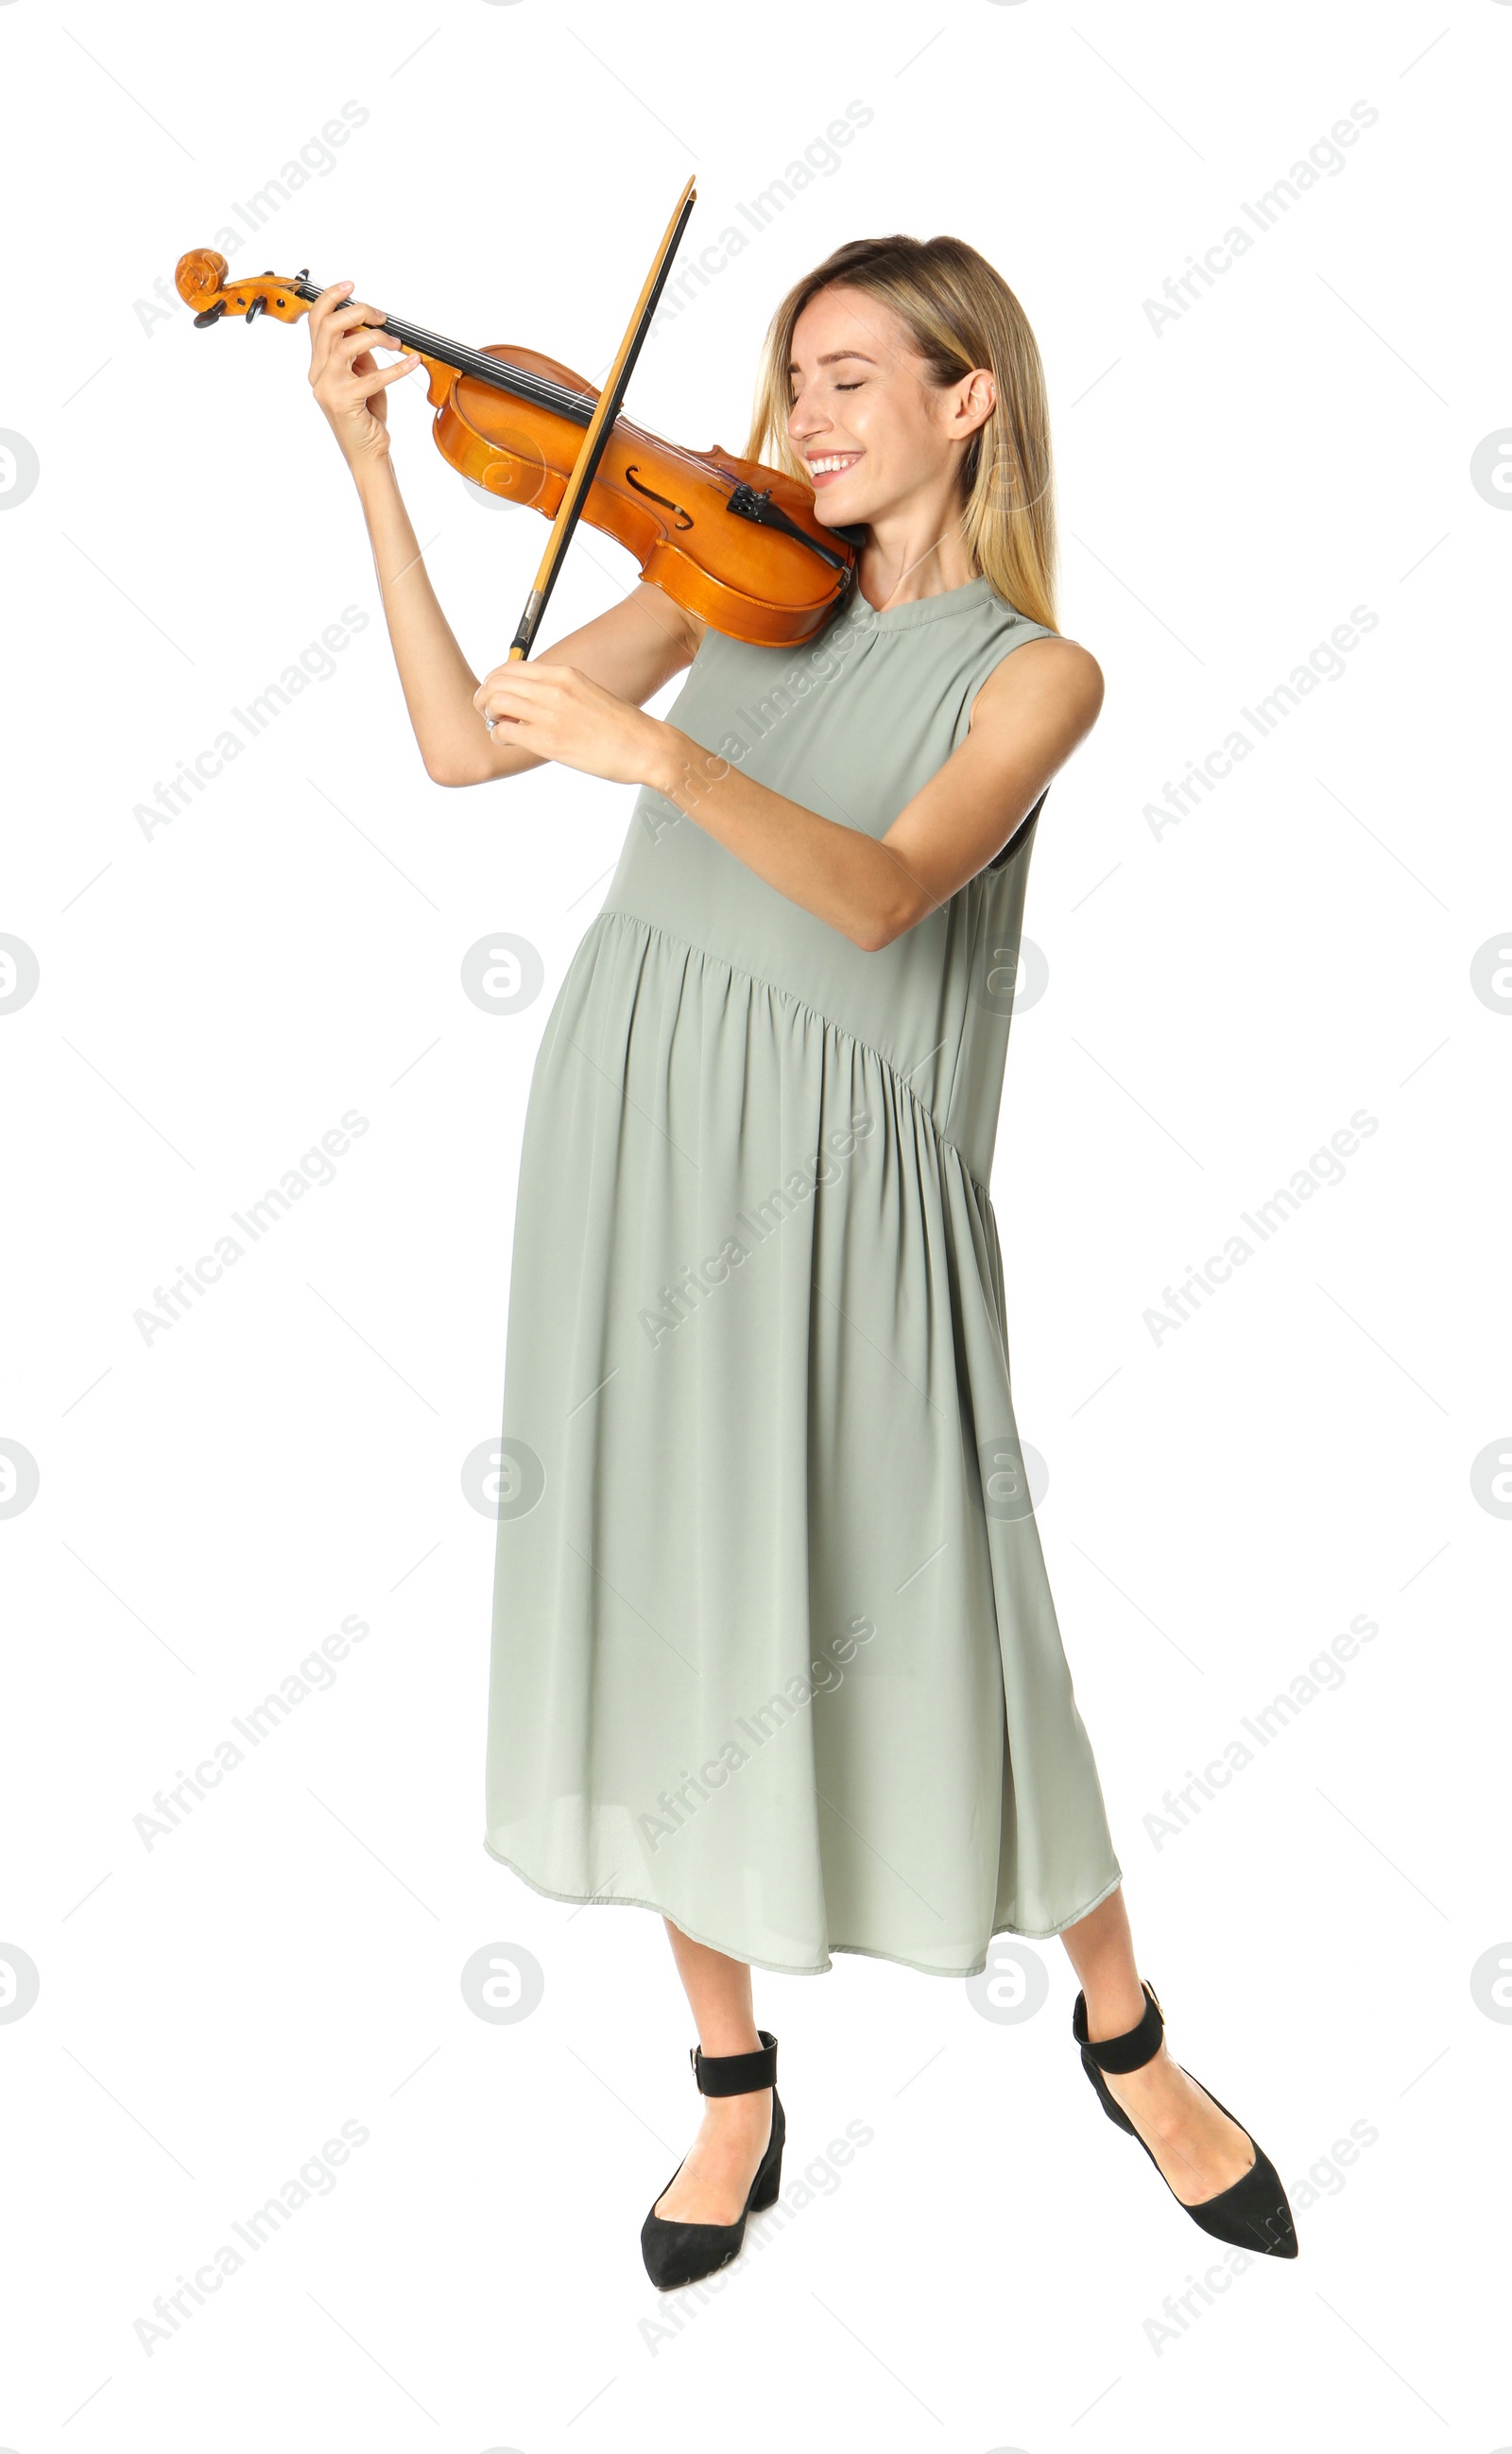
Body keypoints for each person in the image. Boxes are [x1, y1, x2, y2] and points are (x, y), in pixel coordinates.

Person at [304, 231, 1297, 2291]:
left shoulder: (1038, 669)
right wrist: (374, 471)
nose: (800, 421)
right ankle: (730, 2077)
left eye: (852, 379)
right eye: (788, 379)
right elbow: (462, 744)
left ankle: (1121, 2030)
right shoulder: (727, 573)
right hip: (637, 1112)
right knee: (672, 1585)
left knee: (953, 1608)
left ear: (967, 403)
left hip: (853, 1165)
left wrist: (664, 757)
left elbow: (881, 893)